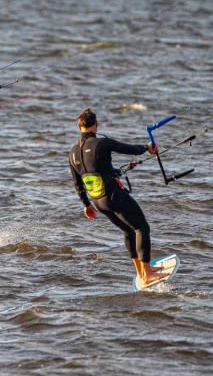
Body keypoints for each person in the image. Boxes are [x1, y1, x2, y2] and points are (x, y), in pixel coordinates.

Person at [68, 108, 169, 288]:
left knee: (128, 231)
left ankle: (141, 272)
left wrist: (86, 205)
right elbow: (128, 148)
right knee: (141, 227)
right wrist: (147, 148)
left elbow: (77, 182)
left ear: (78, 126)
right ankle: (147, 273)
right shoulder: (102, 143)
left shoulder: (73, 152)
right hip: (113, 196)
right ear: (96, 125)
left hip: (98, 202)